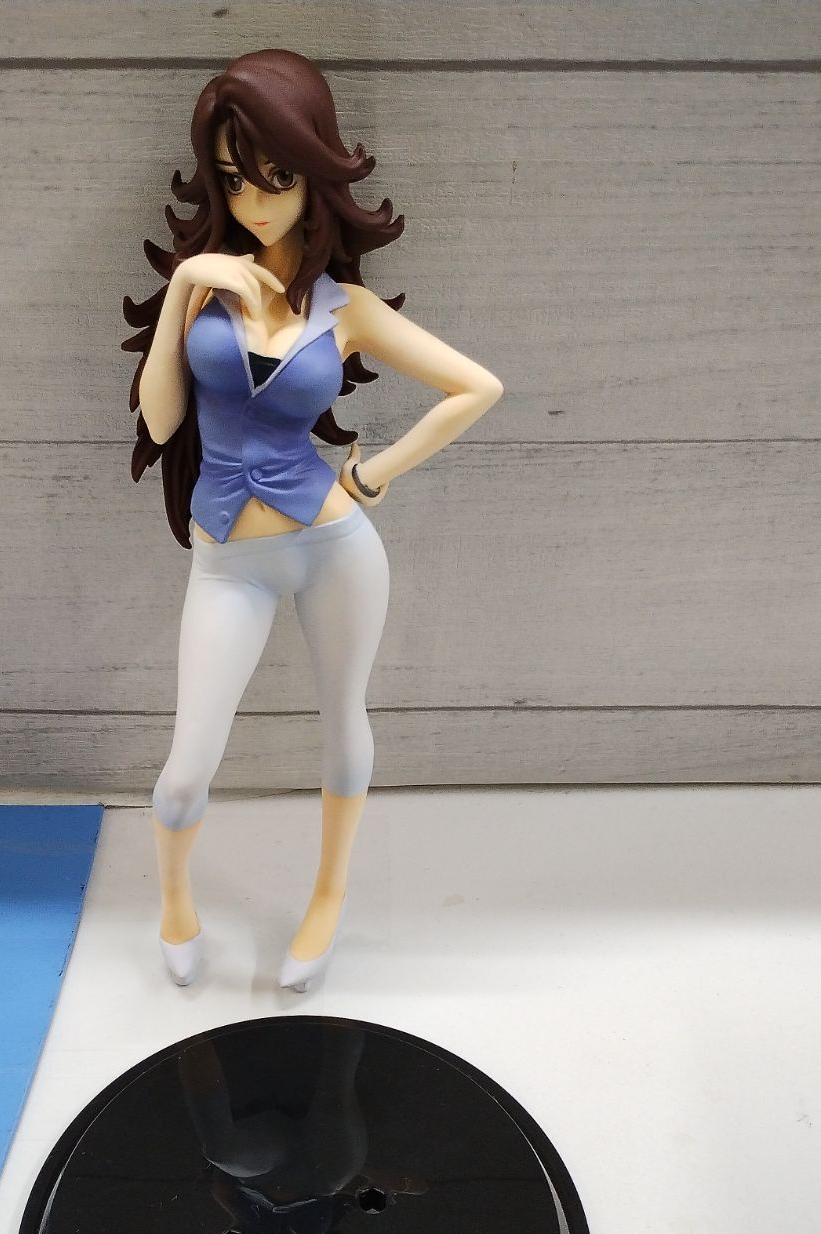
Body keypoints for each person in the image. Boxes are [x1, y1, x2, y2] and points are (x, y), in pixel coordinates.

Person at [122, 48, 503, 990]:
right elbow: (161, 423)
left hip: (335, 546)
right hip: (228, 558)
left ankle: (328, 897)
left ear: (312, 173)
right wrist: (185, 286)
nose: (254, 201)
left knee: (343, 721)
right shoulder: (208, 289)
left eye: (277, 177)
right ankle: (174, 902)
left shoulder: (347, 308)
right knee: (187, 766)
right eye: (233, 179)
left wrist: (372, 475)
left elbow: (476, 387)